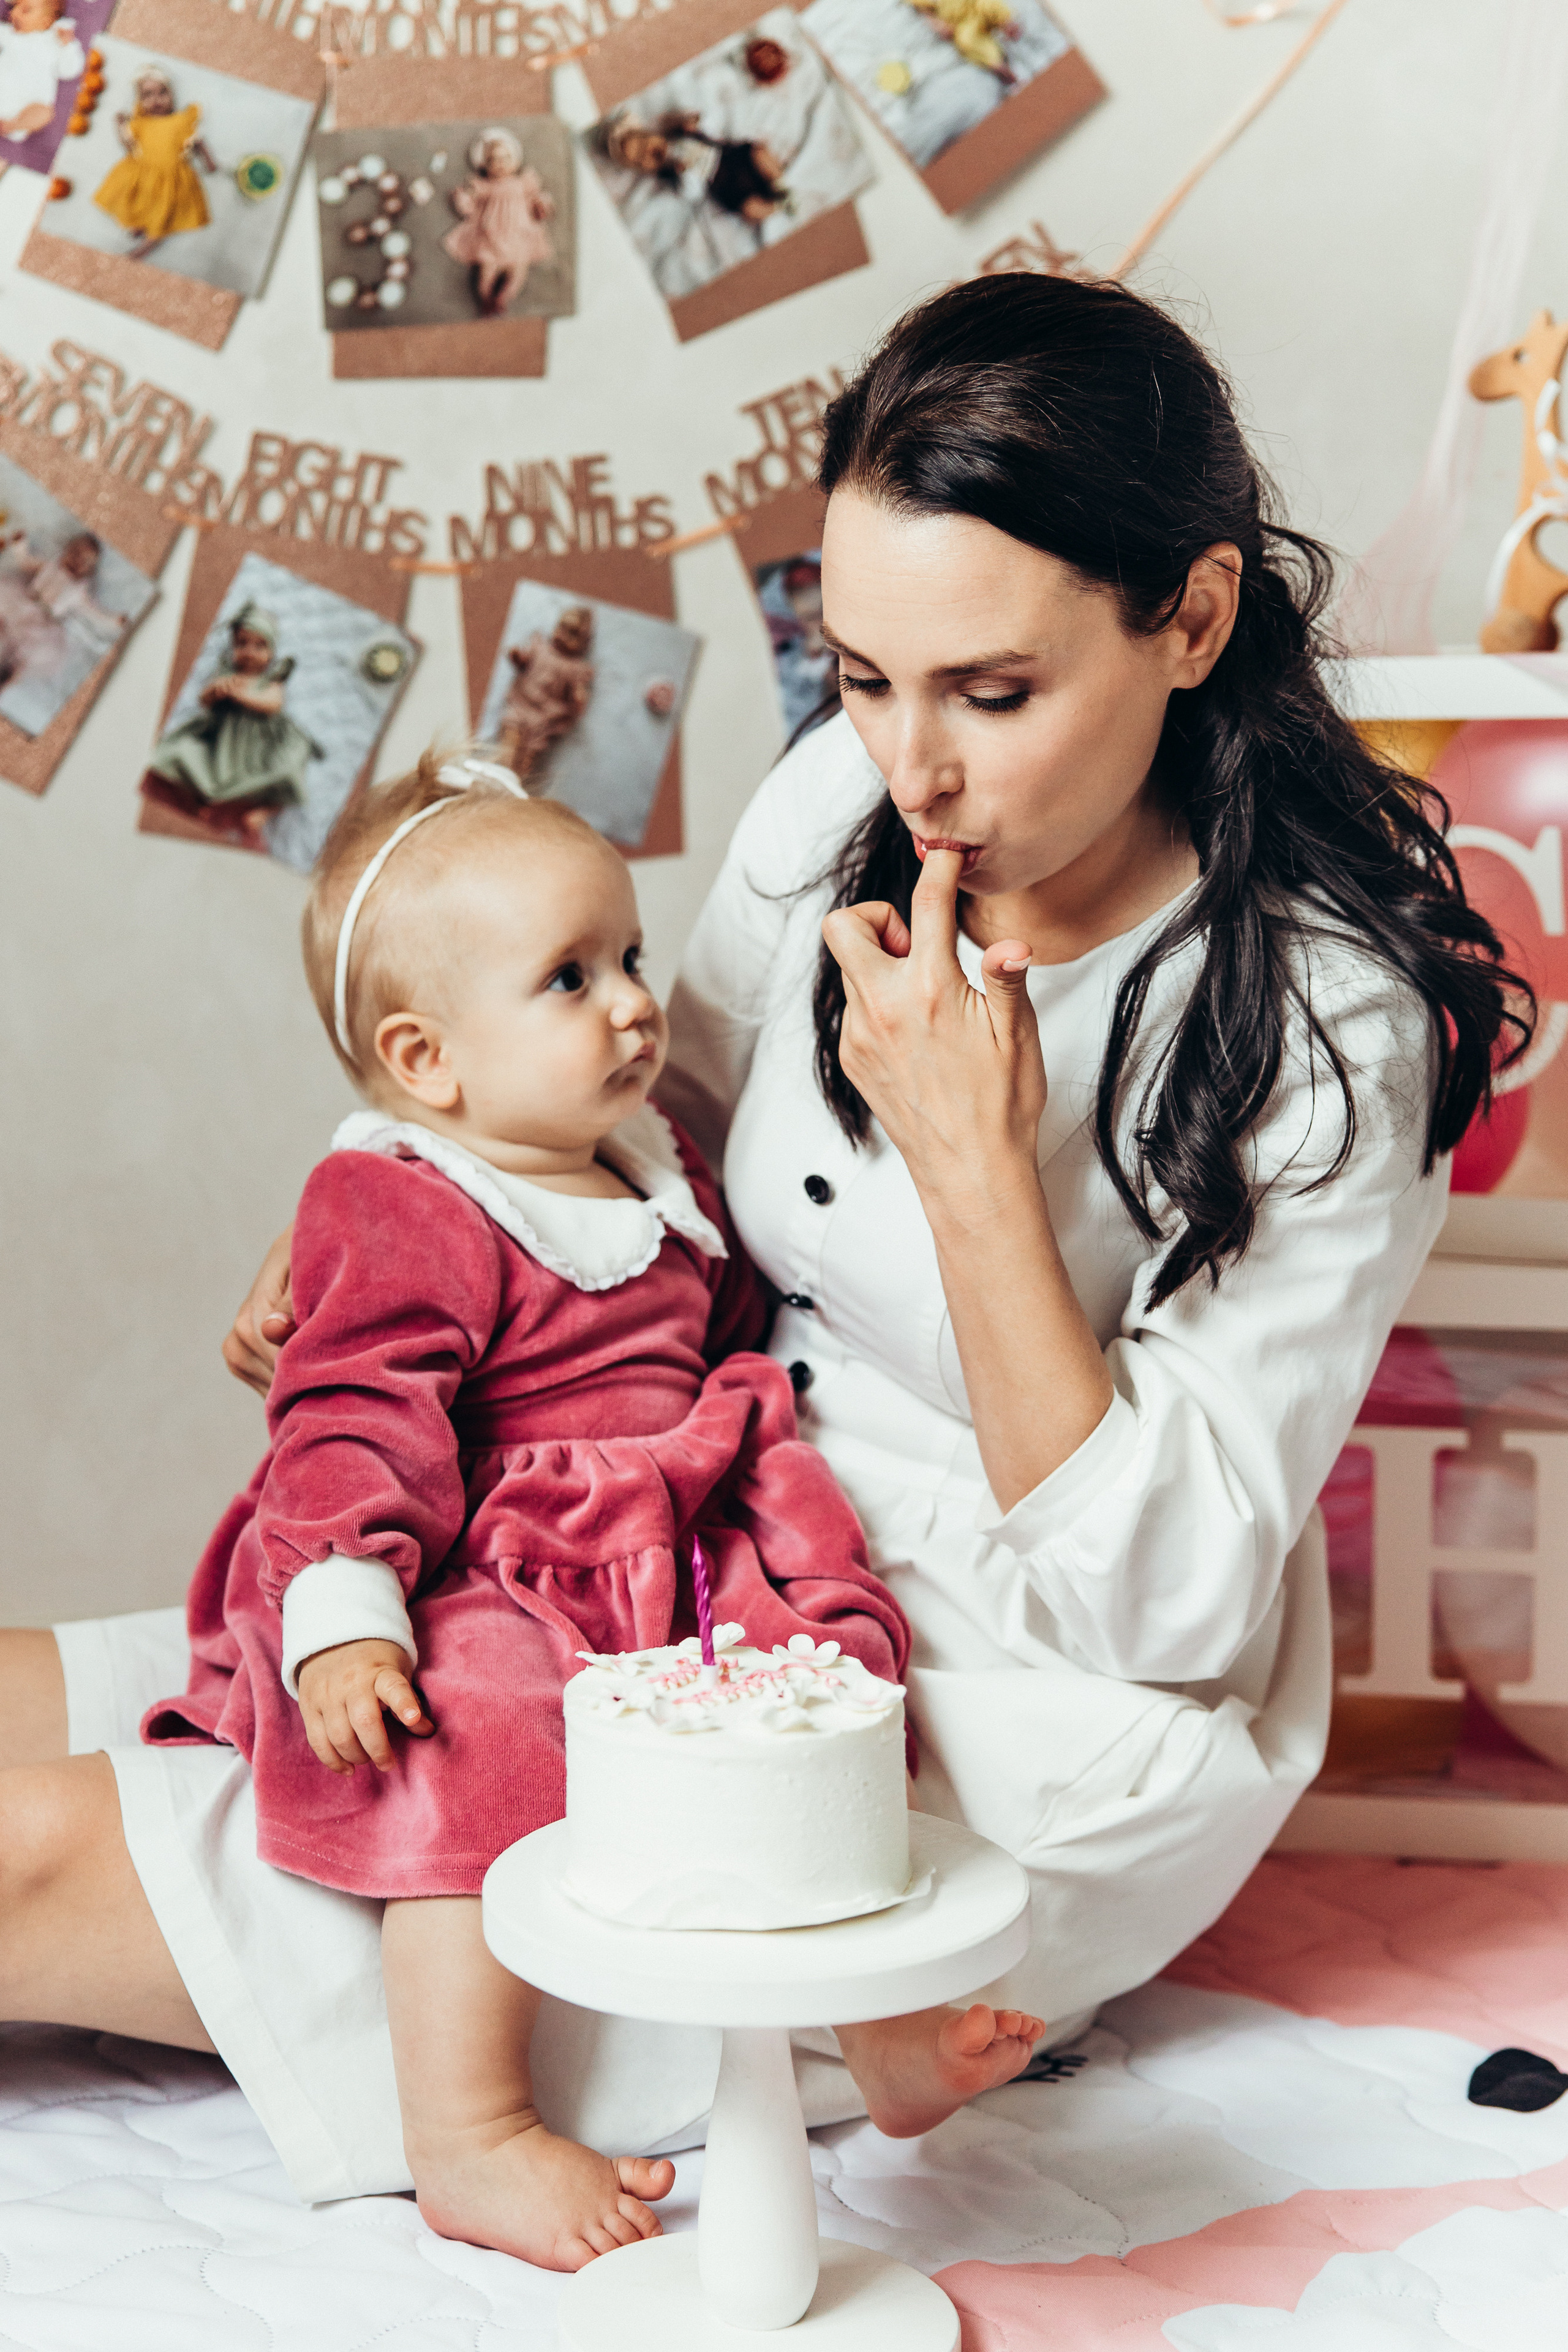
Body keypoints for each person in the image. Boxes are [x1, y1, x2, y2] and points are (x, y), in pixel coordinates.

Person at [0, 275, 1523, 2248]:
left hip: (989, 1702)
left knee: (38, 1856)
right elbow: (650, 1138)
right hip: (661, 1514)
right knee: (65, 1685)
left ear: (1194, 618)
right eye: (865, 674)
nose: (914, 767)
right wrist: (416, 1227)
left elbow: (1160, 1606)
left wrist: (975, 1167)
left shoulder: (1326, 1025)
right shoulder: (845, 802)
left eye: (991, 692)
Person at [145, 603, 320, 842]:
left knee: (286, 771)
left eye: (260, 646)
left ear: (272, 652)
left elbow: (274, 704)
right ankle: (202, 799)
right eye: (241, 644)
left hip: (260, 747)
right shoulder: (226, 674)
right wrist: (214, 691)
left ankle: (268, 810)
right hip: (222, 744)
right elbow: (203, 701)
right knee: (182, 752)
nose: (249, 652)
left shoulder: (272, 680)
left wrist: (240, 695)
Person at [94, 65, 216, 260]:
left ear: (172, 95)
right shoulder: (140, 123)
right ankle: (140, 223)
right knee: (136, 202)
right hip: (142, 175)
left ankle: (145, 247)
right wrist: (120, 127)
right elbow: (129, 147)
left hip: (172, 181)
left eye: (162, 93)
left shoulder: (181, 121)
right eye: (147, 95)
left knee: (164, 215)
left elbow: (198, 144)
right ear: (139, 100)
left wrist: (209, 162)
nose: (156, 100)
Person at [441, 127, 556, 318]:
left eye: (506, 158)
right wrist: (464, 197)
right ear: (484, 166)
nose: (500, 163)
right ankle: (487, 298)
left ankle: (502, 299)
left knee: (519, 272)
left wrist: (542, 206)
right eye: (493, 160)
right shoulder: (485, 186)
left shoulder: (523, 182)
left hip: (519, 237)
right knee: (486, 271)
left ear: (516, 162)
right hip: (491, 239)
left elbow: (537, 197)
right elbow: (468, 208)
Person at [0, 0, 84, 145]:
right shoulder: (9, 34)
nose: (14, 13)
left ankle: (8, 126)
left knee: (45, 113)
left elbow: (70, 71)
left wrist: (68, 46)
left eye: (25, 10)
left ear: (46, 22)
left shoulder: (55, 42)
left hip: (27, 107)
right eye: (13, 8)